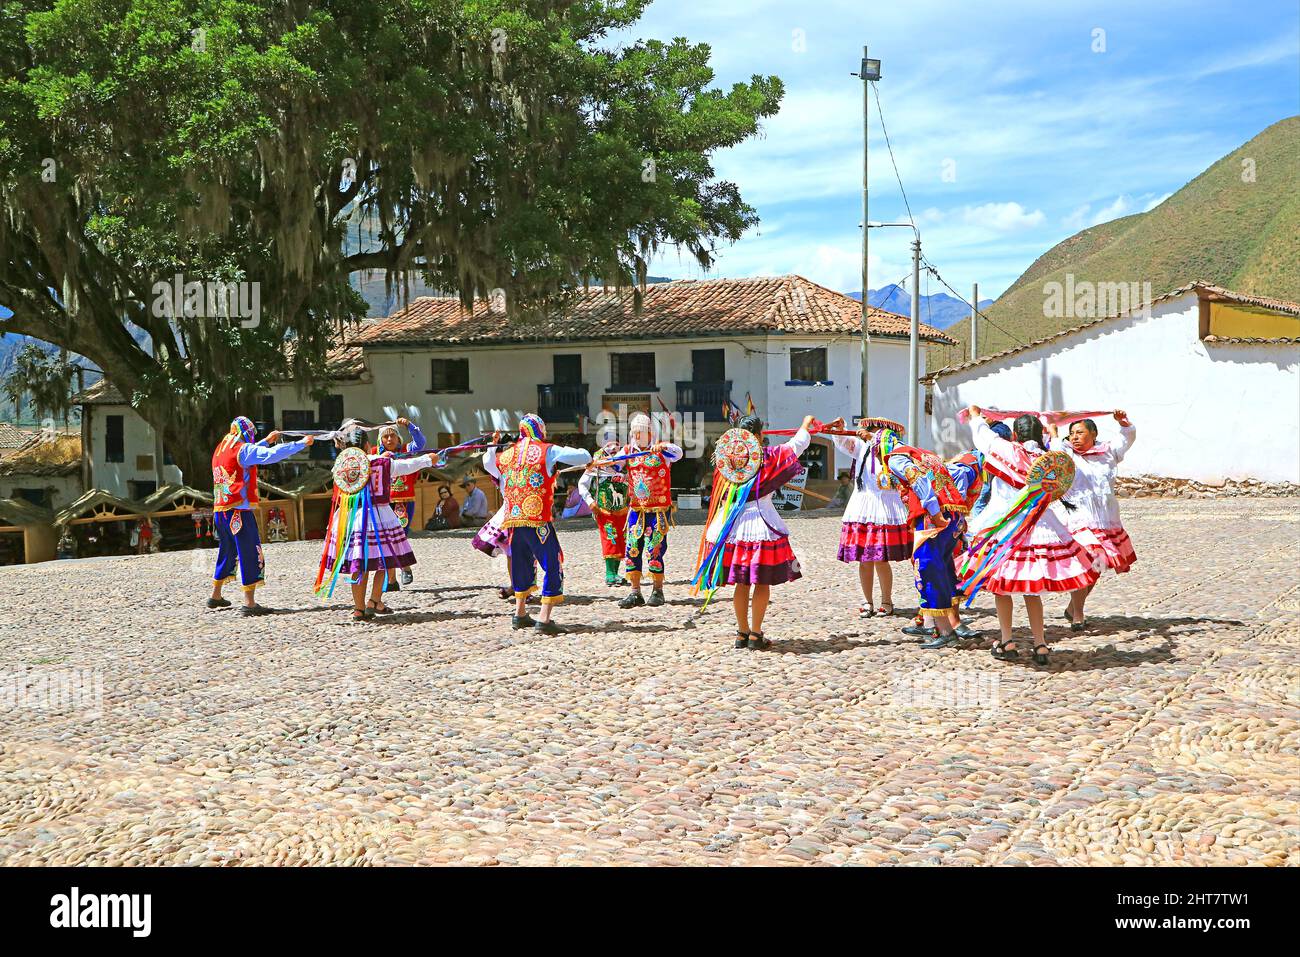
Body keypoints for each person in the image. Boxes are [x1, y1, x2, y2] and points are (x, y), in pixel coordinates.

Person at [964, 407, 1100, 665]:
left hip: (1008, 529)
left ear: (1015, 434)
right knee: (1031, 588)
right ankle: (1040, 643)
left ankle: (1007, 640)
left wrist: (975, 416)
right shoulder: (1049, 458)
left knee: (1002, 587)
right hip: (1042, 529)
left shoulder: (1006, 449)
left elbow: (982, 435)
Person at [695, 414, 813, 649]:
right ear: (759, 435)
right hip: (760, 524)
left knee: (742, 583)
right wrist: (806, 424)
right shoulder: (768, 457)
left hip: (731, 525)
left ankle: (742, 632)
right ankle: (756, 635)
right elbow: (797, 444)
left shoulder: (726, 460)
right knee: (761, 582)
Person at [484, 414, 592, 634]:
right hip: (537, 521)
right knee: (553, 562)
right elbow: (583, 455)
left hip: (513, 521)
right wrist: (586, 460)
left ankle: (520, 613)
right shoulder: (547, 450)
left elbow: (488, 463)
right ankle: (544, 618)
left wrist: (491, 446)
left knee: (520, 564)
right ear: (539, 430)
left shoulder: (506, 456)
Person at [315, 424, 435, 620]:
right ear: (368, 444)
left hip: (350, 518)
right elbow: (407, 466)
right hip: (379, 518)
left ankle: (359, 608)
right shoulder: (382, 462)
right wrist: (428, 460)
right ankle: (374, 600)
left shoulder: (343, 463)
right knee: (382, 561)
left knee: (357, 563)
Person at [210, 416, 315, 615]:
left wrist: (266, 440)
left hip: (221, 511)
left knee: (227, 551)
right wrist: (301, 444)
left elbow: (249, 454)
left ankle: (216, 595)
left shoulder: (222, 448)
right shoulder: (242, 450)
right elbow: (268, 455)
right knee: (249, 551)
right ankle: (249, 603)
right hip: (238, 512)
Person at [1048, 411, 1137, 630]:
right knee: (1086, 564)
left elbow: (1126, 438)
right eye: (1072, 433)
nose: (1075, 437)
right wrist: (1053, 431)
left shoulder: (1107, 452)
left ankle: (1073, 607)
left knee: (1098, 566)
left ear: (1093, 434)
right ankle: (1078, 614)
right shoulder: (1067, 454)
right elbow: (1055, 447)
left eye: (1080, 432)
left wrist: (1124, 423)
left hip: (1105, 520)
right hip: (1077, 519)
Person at [883, 432, 969, 649]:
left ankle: (946, 631)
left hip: (933, 518)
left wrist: (932, 508)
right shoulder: (925, 455)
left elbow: (917, 479)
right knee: (942, 566)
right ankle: (938, 625)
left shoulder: (896, 458)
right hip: (953, 515)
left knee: (928, 568)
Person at [826, 416, 911, 618]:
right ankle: (867, 601)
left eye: (872, 429)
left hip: (883, 504)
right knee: (864, 560)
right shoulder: (862, 446)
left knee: (881, 559)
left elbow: (890, 446)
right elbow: (845, 443)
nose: (866, 431)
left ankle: (887, 601)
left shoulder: (893, 446)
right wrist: (840, 429)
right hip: (863, 505)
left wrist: (874, 438)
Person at [616, 412, 683, 609]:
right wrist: (604, 462)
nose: (638, 435)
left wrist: (664, 446)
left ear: (650, 432)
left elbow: (678, 453)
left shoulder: (662, 452)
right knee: (632, 548)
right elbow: (613, 465)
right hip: (637, 509)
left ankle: (657, 590)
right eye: (635, 432)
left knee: (655, 548)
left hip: (658, 510)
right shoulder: (628, 451)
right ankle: (635, 592)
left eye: (642, 432)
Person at [371, 417, 426, 587]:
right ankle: (392, 580)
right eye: (385, 437)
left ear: (398, 438)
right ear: (381, 440)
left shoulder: (406, 450)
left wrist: (409, 425)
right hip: (382, 503)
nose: (389, 440)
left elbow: (421, 443)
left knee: (398, 537)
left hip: (403, 501)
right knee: (385, 539)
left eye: (392, 436)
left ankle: (405, 567)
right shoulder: (374, 454)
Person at [578, 440, 630, 586]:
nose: (614, 447)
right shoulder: (597, 465)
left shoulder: (626, 462)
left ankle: (615, 573)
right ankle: (610, 574)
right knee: (610, 538)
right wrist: (590, 502)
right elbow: (582, 484)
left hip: (623, 510)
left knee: (622, 539)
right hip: (604, 510)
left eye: (616, 443)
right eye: (610, 444)